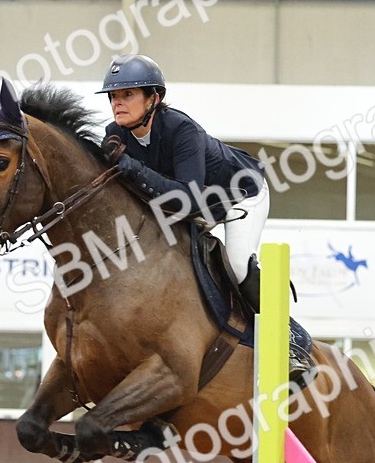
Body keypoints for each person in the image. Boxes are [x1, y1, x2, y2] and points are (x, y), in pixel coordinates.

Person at [98, 54, 314, 380]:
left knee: (238, 262)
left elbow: (186, 197)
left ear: (154, 98)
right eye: (114, 96)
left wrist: (132, 168)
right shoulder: (116, 134)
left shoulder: (181, 130)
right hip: (194, 207)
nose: (118, 103)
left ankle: (291, 339)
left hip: (239, 196)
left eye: (127, 94)